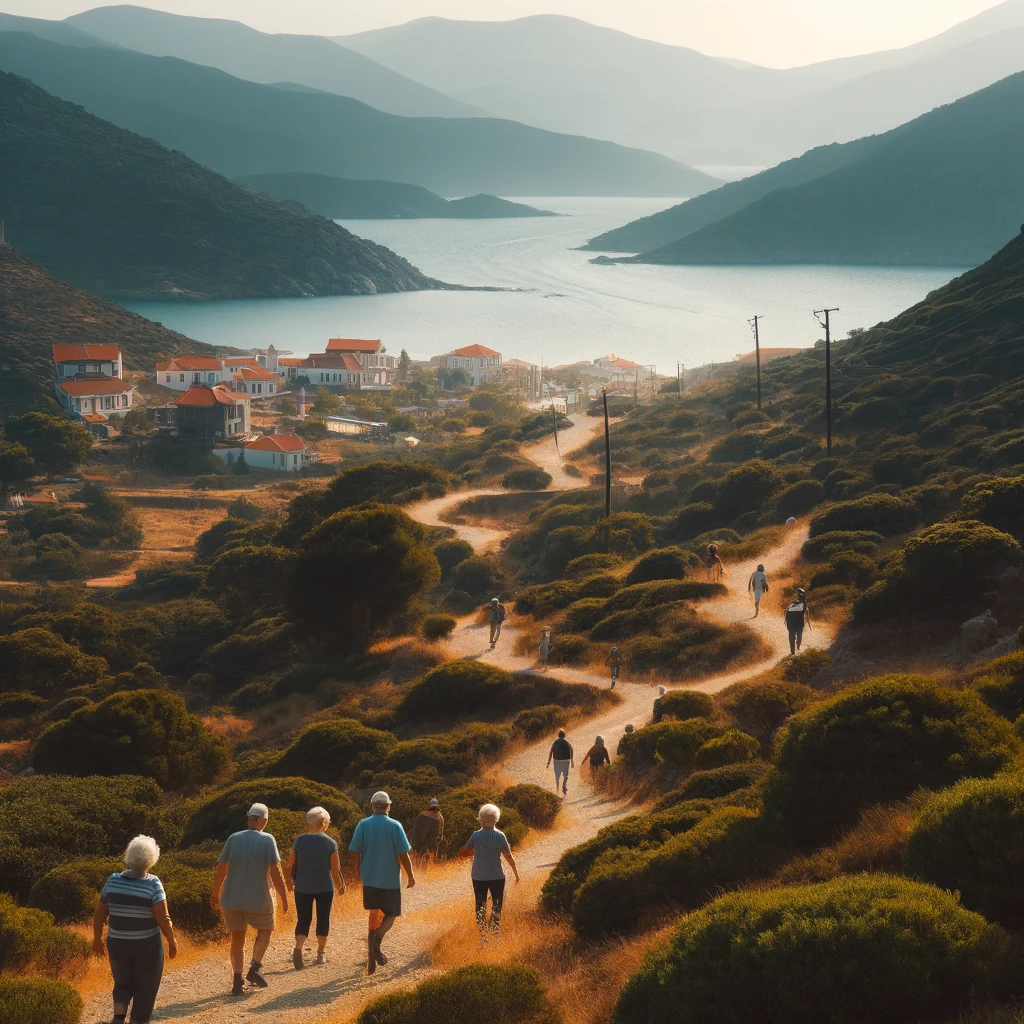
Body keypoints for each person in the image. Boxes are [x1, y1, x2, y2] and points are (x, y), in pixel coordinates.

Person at [92, 836, 176, 1024]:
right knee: (146, 986)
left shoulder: (113, 881)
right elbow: (163, 919)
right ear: (151, 858)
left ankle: (118, 1018)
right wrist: (172, 940)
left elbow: (99, 915)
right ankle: (138, 1020)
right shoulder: (153, 883)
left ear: (129, 856)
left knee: (122, 982)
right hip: (147, 946)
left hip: (117, 942)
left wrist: (97, 941)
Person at [210, 803, 289, 995]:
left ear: (249, 818)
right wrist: (284, 896)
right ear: (263, 820)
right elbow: (275, 873)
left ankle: (237, 980)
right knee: (266, 929)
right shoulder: (268, 840)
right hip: (259, 898)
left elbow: (222, 869)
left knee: (237, 937)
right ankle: (254, 968)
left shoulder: (233, 838)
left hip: (231, 898)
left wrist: (214, 893)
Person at [349, 791, 416, 976]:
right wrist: (410, 875)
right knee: (392, 914)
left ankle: (373, 953)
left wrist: (355, 869)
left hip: (369, 878)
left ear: (372, 805)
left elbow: (354, 849)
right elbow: (403, 853)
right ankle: (376, 943)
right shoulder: (395, 826)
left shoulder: (363, 824)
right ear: (388, 806)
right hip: (389, 880)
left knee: (373, 915)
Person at [287, 806, 345, 970]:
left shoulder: (299, 840)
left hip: (302, 887)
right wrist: (340, 886)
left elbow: (291, 862)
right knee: (323, 918)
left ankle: (298, 948)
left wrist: (290, 880)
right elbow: (335, 870)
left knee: (303, 919)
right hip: (324, 887)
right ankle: (320, 953)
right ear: (324, 822)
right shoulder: (330, 843)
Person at [459, 803, 519, 935]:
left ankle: (482, 933)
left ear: (481, 818)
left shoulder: (475, 835)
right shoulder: (500, 836)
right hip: (497, 876)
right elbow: (509, 857)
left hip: (478, 876)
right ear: (495, 818)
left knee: (480, 904)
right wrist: (516, 874)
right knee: (497, 904)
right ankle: (494, 930)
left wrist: (478, 852)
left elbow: (463, 853)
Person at [408, 798, 445, 868]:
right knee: (431, 859)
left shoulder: (422, 815)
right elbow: (441, 834)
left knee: (421, 859)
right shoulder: (441, 818)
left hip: (422, 842)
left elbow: (416, 830)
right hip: (432, 844)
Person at [546, 729, 574, 796]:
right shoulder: (567, 742)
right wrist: (572, 761)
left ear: (558, 735)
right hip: (566, 761)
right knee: (565, 775)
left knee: (557, 776)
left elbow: (551, 752)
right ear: (564, 735)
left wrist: (548, 762)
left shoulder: (555, 742)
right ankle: (564, 785)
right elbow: (571, 750)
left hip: (557, 761)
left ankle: (557, 790)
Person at [785, 588, 811, 655]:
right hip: (797, 621)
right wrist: (808, 621)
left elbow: (786, 611)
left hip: (792, 620)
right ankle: (796, 648)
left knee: (793, 635)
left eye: (797, 593)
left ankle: (793, 650)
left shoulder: (794, 604)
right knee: (798, 635)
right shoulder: (802, 604)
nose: (796, 594)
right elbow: (806, 613)